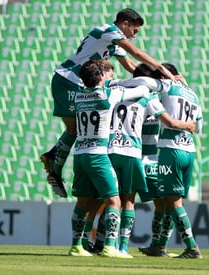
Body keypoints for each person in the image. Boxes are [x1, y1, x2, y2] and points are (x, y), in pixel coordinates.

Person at [40, 8, 176, 198]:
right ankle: (54, 165)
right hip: (68, 79)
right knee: (76, 128)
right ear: (125, 24)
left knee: (78, 128)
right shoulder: (107, 30)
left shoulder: (113, 42)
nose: (134, 36)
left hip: (74, 81)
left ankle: (53, 157)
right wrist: (161, 68)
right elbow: (135, 53)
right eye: (134, 31)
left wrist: (153, 79)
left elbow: (130, 66)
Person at [115, 63, 204, 259]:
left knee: (168, 202)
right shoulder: (194, 95)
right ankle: (159, 244)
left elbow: (144, 81)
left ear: (164, 76)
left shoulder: (163, 89)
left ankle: (191, 246)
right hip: (188, 150)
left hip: (166, 151)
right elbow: (198, 128)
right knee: (165, 203)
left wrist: (116, 83)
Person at [68, 60, 150, 258]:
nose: (110, 77)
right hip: (98, 154)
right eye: (107, 75)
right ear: (100, 77)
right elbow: (142, 92)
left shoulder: (78, 96)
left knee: (83, 202)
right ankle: (110, 247)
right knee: (114, 200)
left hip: (79, 154)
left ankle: (76, 246)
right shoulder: (108, 94)